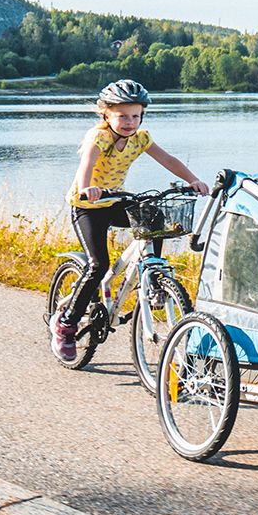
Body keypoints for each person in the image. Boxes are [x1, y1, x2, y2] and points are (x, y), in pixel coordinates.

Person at [52, 79, 209, 361]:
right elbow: (88, 161)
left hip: (115, 202)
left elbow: (168, 159)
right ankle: (66, 324)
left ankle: (154, 277)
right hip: (87, 205)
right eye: (122, 115)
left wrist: (193, 179)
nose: (129, 122)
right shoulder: (98, 137)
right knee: (97, 264)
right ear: (106, 115)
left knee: (154, 215)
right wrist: (88, 187)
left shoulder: (140, 139)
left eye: (135, 115)